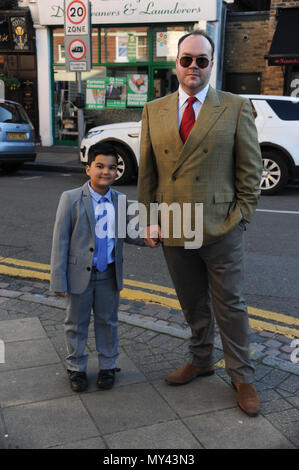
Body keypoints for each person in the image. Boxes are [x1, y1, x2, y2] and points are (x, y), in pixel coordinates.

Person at [137, 30, 263, 417]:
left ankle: (242, 376)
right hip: (174, 223)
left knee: (231, 305)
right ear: (176, 63)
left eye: (202, 60)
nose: (194, 66)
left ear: (212, 64)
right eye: (187, 59)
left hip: (220, 226)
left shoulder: (236, 107)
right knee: (192, 302)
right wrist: (148, 220)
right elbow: (148, 174)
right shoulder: (153, 110)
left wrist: (239, 217)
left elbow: (250, 172)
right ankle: (201, 359)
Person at [50, 142, 143, 392]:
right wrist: (58, 280)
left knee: (108, 322)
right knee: (76, 324)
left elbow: (126, 233)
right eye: (100, 166)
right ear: (88, 169)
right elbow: (60, 240)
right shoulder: (70, 199)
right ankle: (76, 368)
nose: (106, 172)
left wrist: (148, 237)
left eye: (112, 168)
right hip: (78, 275)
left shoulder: (120, 199)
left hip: (108, 274)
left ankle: (107, 366)